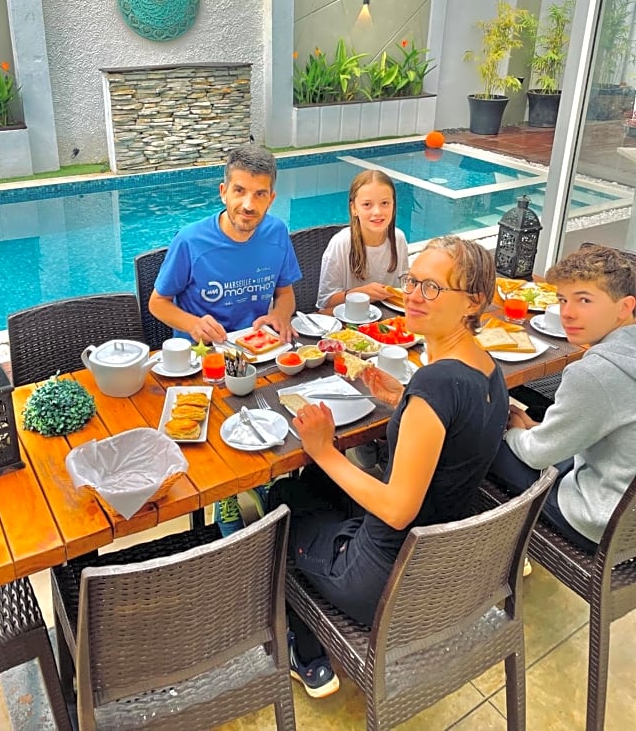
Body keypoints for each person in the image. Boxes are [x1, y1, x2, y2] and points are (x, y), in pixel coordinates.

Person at [268, 235, 508, 698]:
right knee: (314, 482)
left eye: (433, 287)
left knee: (283, 500)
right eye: (412, 281)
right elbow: (455, 436)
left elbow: (398, 510)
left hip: (382, 580)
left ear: (473, 301)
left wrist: (323, 448)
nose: (414, 296)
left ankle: (303, 643)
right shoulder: (486, 368)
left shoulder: (435, 385)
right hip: (434, 559)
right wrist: (403, 401)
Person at [149, 145, 302, 535]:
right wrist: (193, 323)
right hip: (204, 365)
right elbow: (157, 303)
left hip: (260, 357)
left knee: (283, 426)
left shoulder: (277, 233)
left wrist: (281, 316)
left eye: (259, 194)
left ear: (271, 198)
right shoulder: (190, 241)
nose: (248, 204)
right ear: (223, 191)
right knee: (219, 445)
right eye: (239, 191)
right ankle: (229, 497)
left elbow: (286, 294)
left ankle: (263, 484)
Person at [490, 244, 636, 553]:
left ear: (625, 307)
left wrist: (515, 433)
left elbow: (536, 455)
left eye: (584, 300)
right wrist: (538, 431)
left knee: (481, 441)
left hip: (600, 523)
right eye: (562, 299)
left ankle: (477, 550)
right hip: (627, 508)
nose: (567, 312)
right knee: (535, 420)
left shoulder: (596, 373)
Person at [316, 169, 409, 314]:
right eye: (367, 204)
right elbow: (325, 302)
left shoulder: (399, 239)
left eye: (385, 203)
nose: (377, 212)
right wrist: (360, 294)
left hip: (388, 319)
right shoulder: (341, 244)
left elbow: (402, 290)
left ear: (394, 205)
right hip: (349, 320)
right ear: (354, 208)